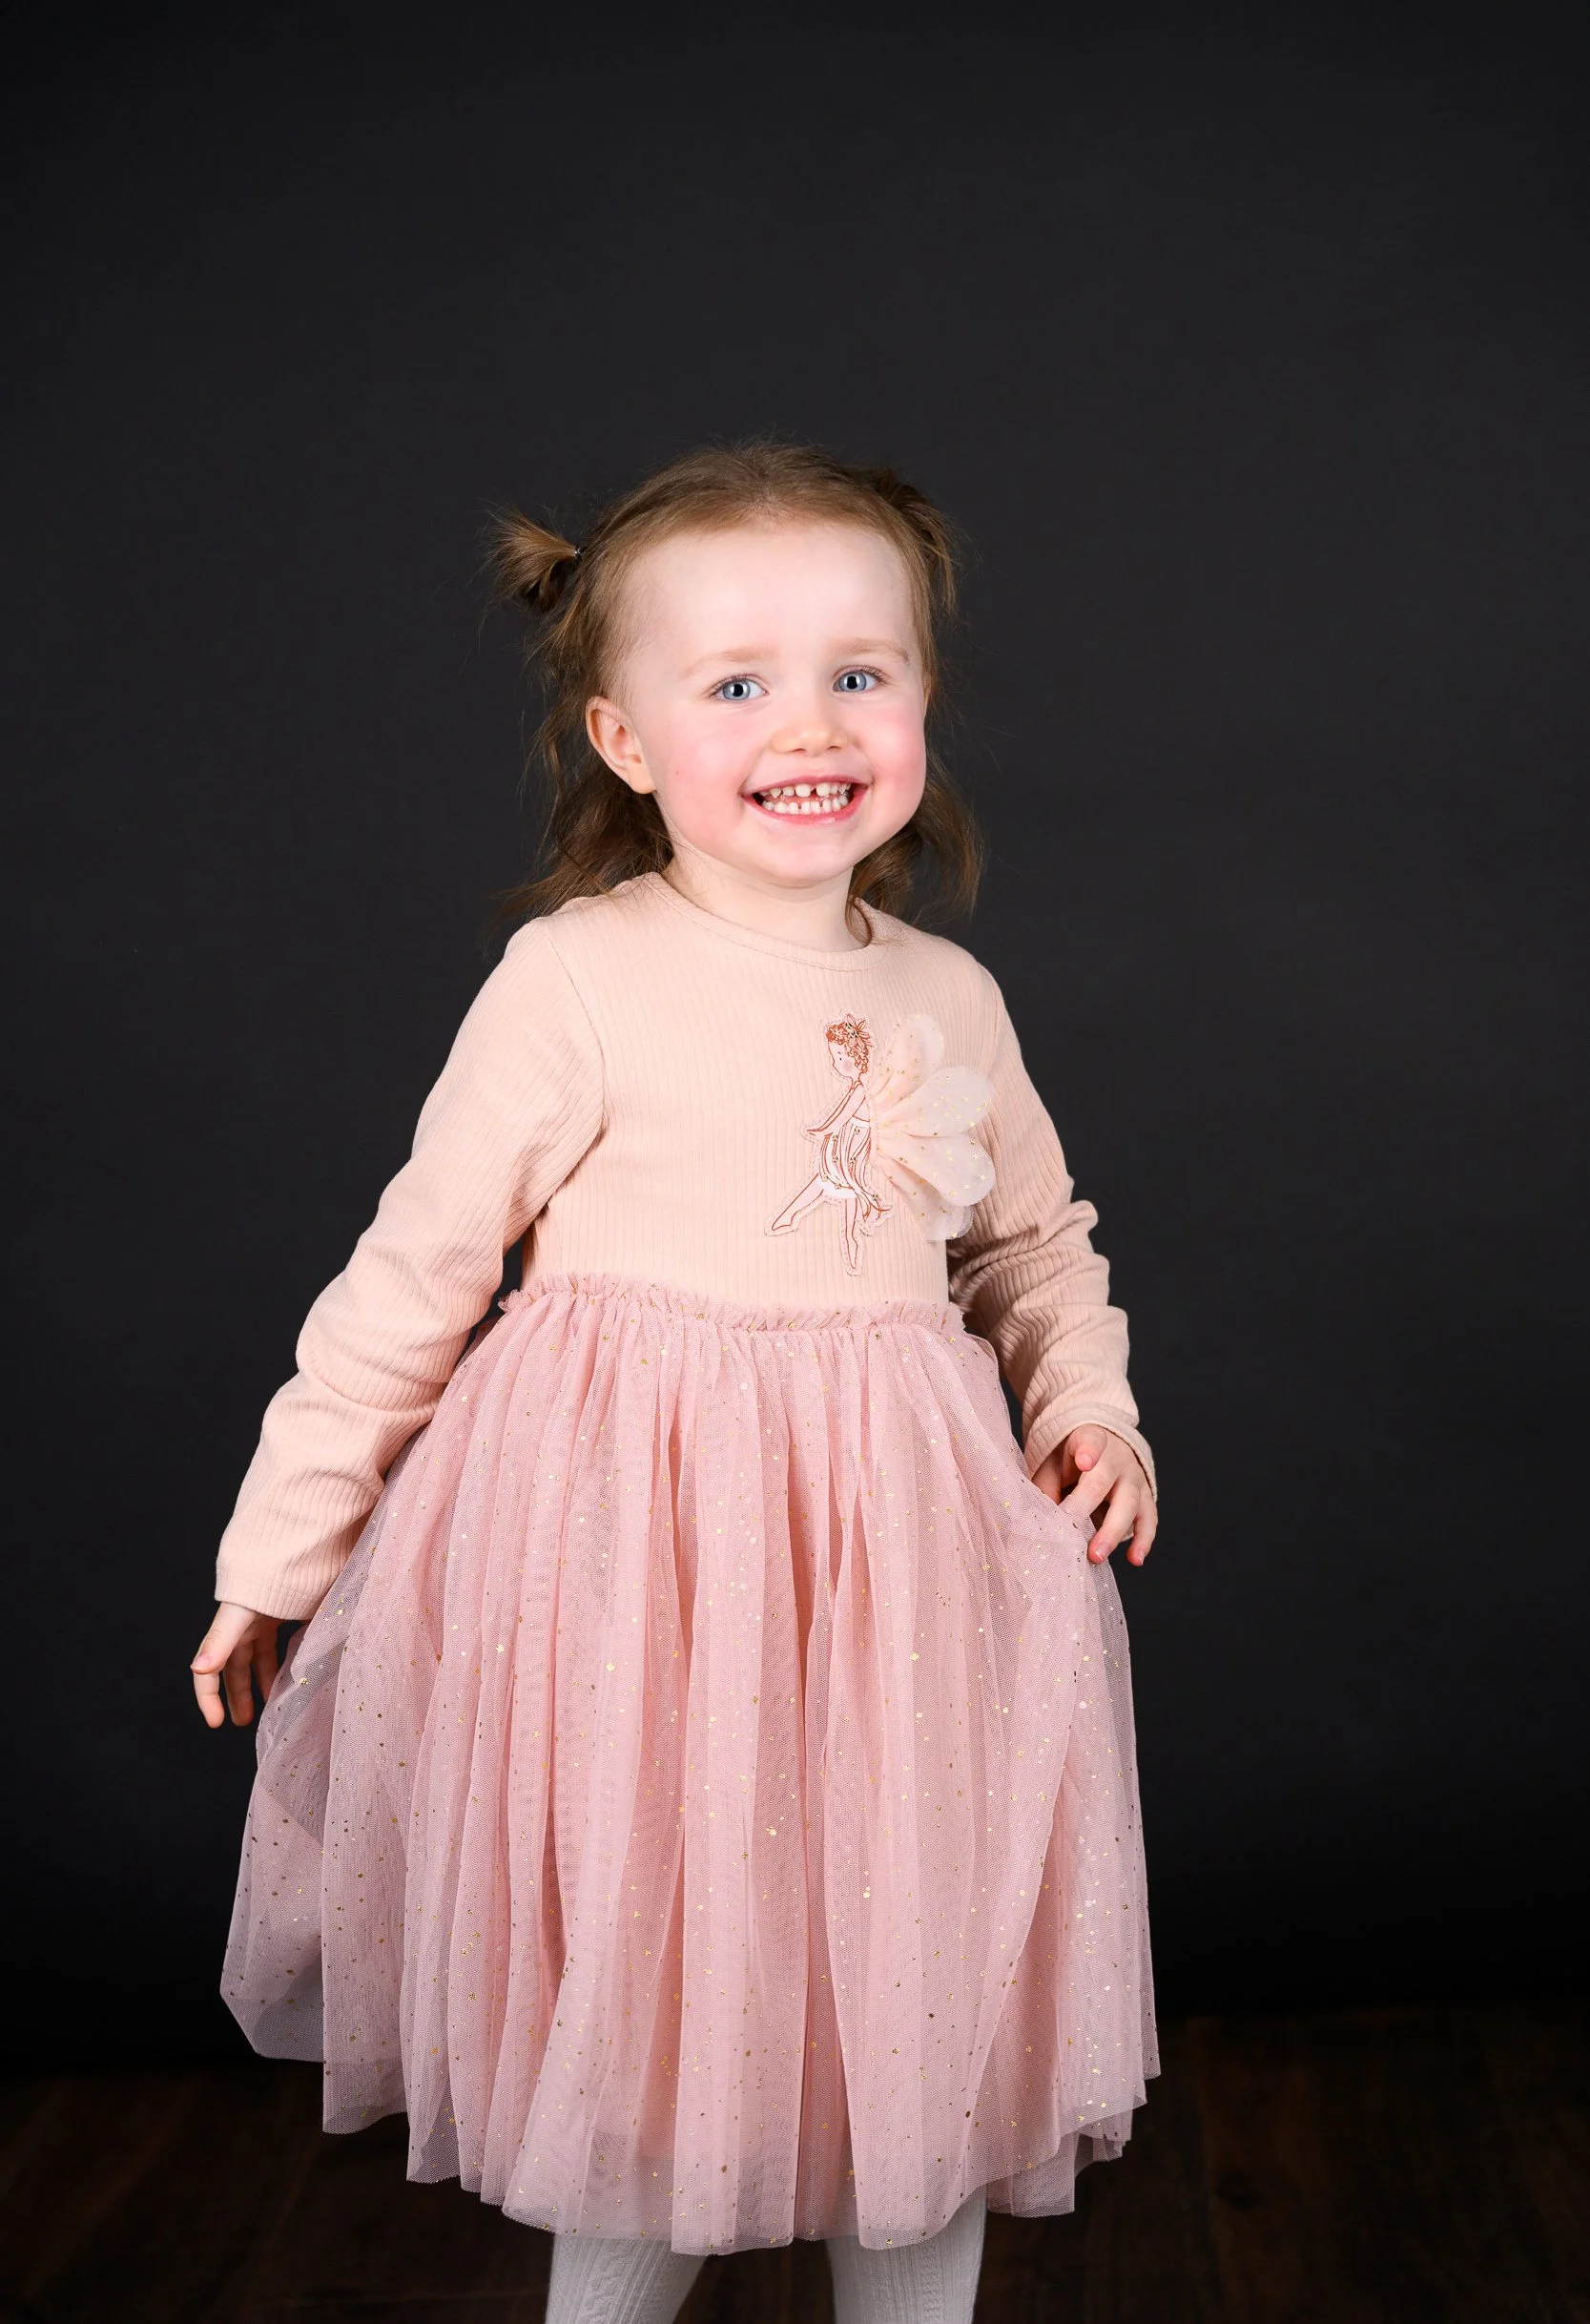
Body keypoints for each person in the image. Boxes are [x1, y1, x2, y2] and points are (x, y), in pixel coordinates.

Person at [191, 441, 1160, 2324]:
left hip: (893, 1574)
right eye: (737, 684)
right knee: (651, 1988)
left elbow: (1028, 1245)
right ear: (622, 737)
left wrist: (1086, 1402)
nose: (807, 723)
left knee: (902, 1972)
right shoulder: (579, 978)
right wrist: (278, 1551)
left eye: (854, 672)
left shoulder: (949, 998)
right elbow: (413, 1278)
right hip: (634, 1574)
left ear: (918, 702)